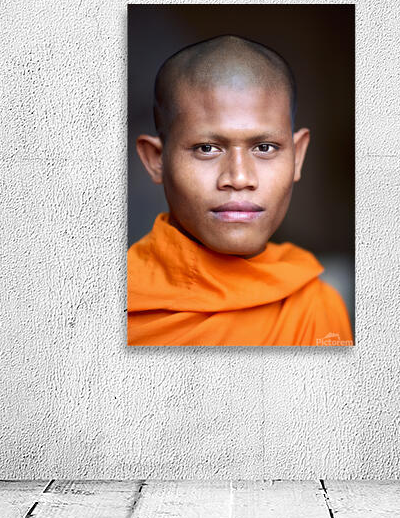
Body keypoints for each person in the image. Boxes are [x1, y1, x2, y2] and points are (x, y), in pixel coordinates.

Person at [128, 34, 353, 346]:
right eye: (207, 148)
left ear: (298, 156)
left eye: (264, 147)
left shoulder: (314, 305)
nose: (239, 177)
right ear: (156, 161)